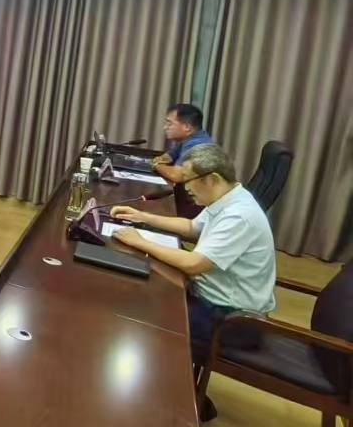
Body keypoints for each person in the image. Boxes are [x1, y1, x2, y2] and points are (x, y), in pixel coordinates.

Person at [109, 143, 275, 421]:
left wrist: (140, 241)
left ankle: (166, 407)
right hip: (216, 302)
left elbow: (194, 264)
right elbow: (192, 227)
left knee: (144, 319)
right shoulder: (228, 198)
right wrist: (142, 217)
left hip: (232, 320)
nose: (185, 187)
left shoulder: (239, 215)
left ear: (212, 178)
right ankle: (172, 392)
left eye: (188, 180)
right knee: (146, 293)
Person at [153, 103, 215, 184]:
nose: (165, 127)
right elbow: (171, 155)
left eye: (170, 123)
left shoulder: (197, 144)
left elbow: (177, 175)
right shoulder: (192, 138)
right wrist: (162, 159)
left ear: (187, 127)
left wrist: (156, 165)